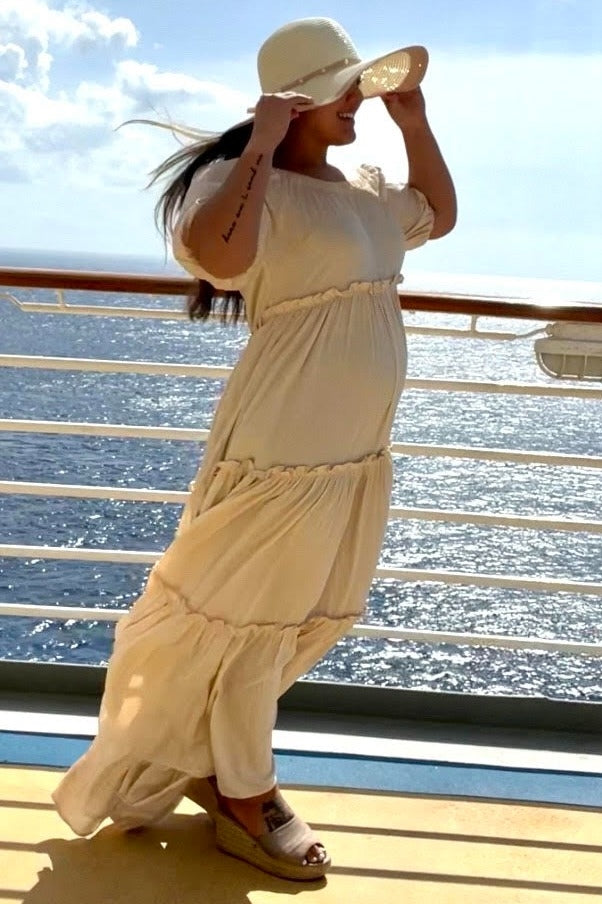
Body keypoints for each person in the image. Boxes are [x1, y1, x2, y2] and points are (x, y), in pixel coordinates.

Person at [52, 16, 456, 882]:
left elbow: (439, 216)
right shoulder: (247, 184)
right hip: (285, 440)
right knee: (246, 613)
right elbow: (213, 254)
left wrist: (416, 124)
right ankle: (245, 788)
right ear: (300, 100)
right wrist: (262, 145)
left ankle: (219, 764)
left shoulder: (360, 187)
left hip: (351, 450)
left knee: (293, 612)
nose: (360, 101)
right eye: (346, 88)